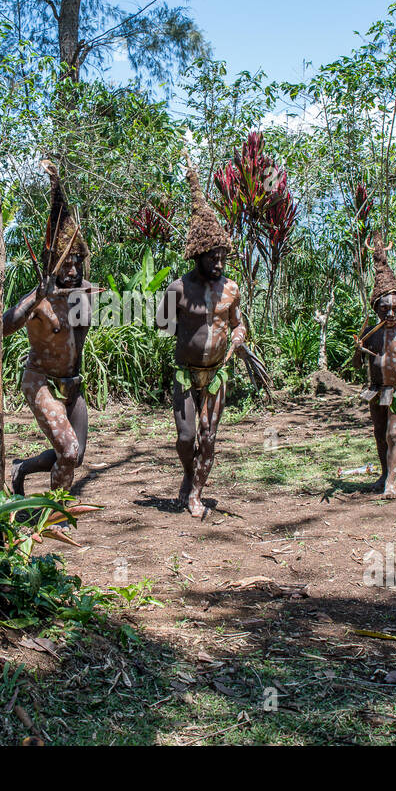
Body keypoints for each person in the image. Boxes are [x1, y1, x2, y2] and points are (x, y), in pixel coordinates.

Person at [157, 151, 270, 518]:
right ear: (197, 254)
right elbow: (161, 324)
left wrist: (237, 341)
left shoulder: (231, 289)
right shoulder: (177, 289)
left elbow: (239, 325)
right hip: (185, 374)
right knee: (186, 438)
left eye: (223, 255)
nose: (219, 262)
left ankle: (195, 495)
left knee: (209, 437)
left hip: (218, 373)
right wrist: (186, 336)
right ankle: (188, 477)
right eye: (212, 256)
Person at [2, 159, 94, 494]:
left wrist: (75, 383)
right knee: (67, 452)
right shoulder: (38, 298)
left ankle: (22, 468)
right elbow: (2, 327)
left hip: (72, 383)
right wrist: (33, 300)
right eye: (65, 264)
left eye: (76, 262)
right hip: (40, 380)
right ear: (52, 266)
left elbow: (79, 339)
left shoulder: (86, 294)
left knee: (76, 455)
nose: (71, 270)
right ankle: (52, 516)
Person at [355, 232, 396, 497]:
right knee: (380, 432)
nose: (391, 314)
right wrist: (358, 349)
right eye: (385, 309)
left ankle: (391, 483)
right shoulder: (370, 333)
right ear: (376, 309)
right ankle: (384, 475)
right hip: (376, 389)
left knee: (393, 434)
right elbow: (357, 362)